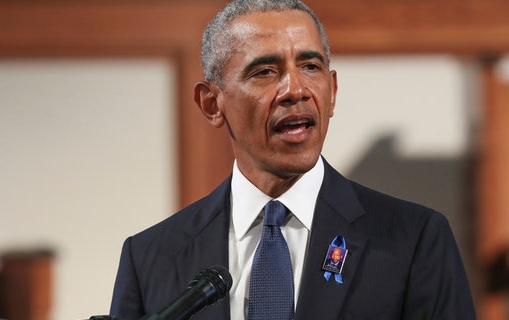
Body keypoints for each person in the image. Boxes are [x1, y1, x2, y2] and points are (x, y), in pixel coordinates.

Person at [110, 0, 476, 319]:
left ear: (332, 92)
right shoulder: (149, 257)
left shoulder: (414, 238)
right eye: (265, 71)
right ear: (211, 103)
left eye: (310, 67)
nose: (296, 90)